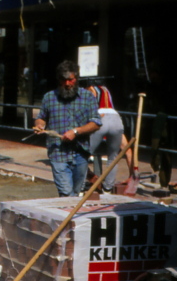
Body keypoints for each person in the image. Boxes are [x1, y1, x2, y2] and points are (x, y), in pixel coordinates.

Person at [34, 61, 102, 197]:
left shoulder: (88, 97)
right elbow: (41, 117)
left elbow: (96, 123)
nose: (67, 84)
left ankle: (70, 217)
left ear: (76, 79)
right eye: (63, 80)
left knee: (75, 194)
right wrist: (39, 125)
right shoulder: (49, 97)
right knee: (66, 193)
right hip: (58, 152)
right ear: (58, 79)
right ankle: (68, 217)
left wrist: (76, 131)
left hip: (81, 153)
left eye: (70, 80)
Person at [87, 84, 133, 193]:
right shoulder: (105, 89)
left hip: (100, 117)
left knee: (82, 155)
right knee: (117, 155)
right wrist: (132, 176)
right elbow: (128, 151)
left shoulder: (89, 90)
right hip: (116, 118)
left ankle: (91, 176)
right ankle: (108, 189)